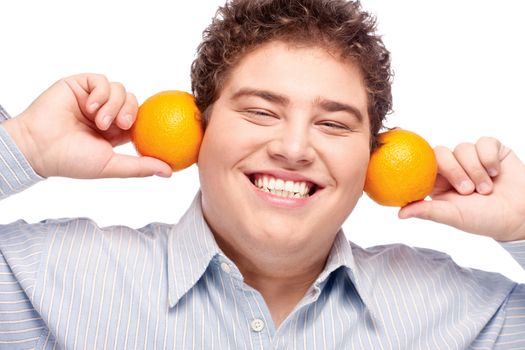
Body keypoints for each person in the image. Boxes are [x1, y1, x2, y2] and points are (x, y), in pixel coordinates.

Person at [1, 0, 524, 349]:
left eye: (333, 123)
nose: (294, 148)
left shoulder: (460, 313)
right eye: (260, 111)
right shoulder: (56, 277)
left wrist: (523, 225)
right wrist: (22, 146)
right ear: (197, 130)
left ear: (372, 159)